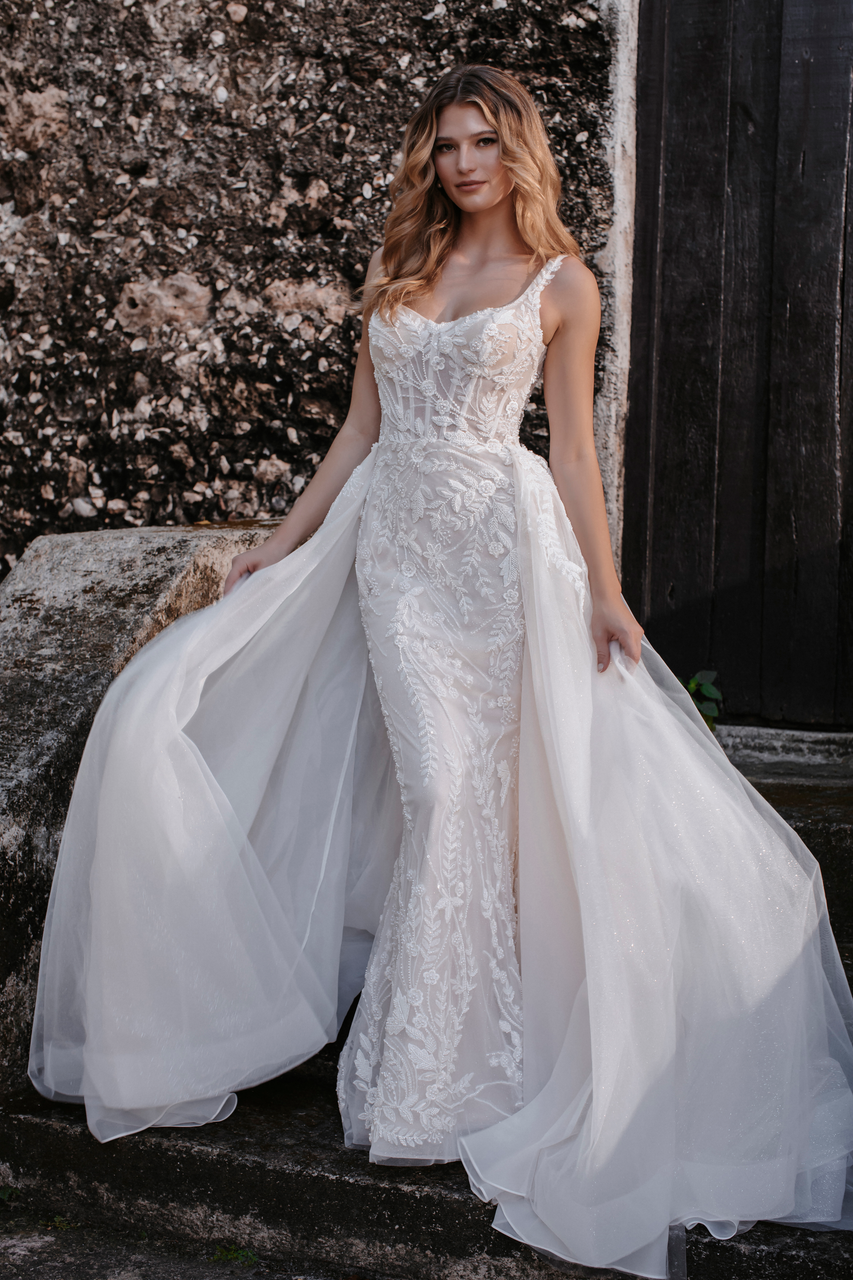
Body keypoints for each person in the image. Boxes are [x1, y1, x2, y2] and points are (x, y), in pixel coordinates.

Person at [28, 66, 853, 1280]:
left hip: (501, 550)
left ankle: (467, 1074)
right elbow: (357, 436)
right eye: (447, 145)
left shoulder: (565, 284)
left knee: (488, 799)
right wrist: (276, 545)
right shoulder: (401, 281)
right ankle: (423, 1070)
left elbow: (570, 446)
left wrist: (608, 591)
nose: (465, 163)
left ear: (517, 153)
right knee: (439, 788)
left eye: (484, 142)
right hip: (399, 556)